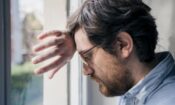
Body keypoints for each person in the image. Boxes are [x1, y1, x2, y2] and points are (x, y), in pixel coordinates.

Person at [31, 0, 175, 105]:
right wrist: (76, 40)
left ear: (123, 45)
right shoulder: (136, 91)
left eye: (87, 56)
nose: (86, 71)